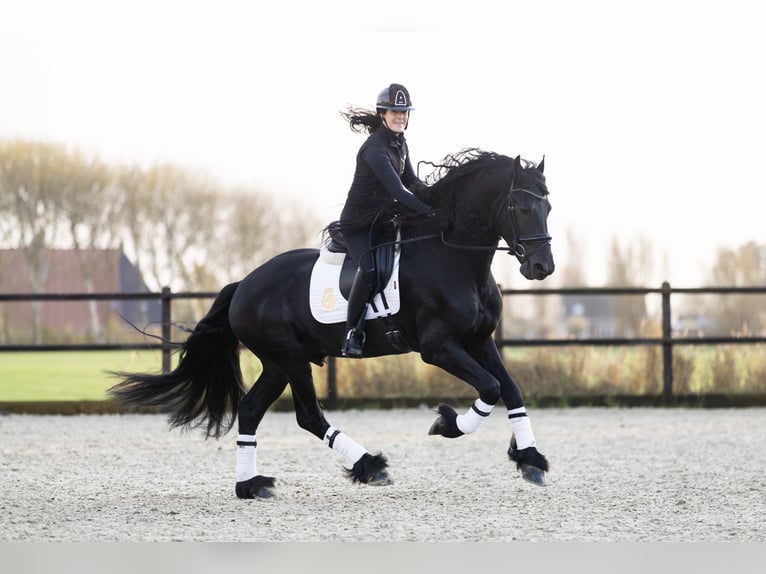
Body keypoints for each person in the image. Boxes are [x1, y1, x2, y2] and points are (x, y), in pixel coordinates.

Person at [338, 83, 437, 357]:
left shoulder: (400, 143)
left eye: (404, 112)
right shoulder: (374, 149)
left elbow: (412, 183)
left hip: (382, 220)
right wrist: (428, 212)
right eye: (395, 112)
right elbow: (398, 191)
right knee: (370, 271)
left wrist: (436, 198)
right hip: (358, 225)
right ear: (383, 114)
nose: (400, 117)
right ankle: (352, 333)